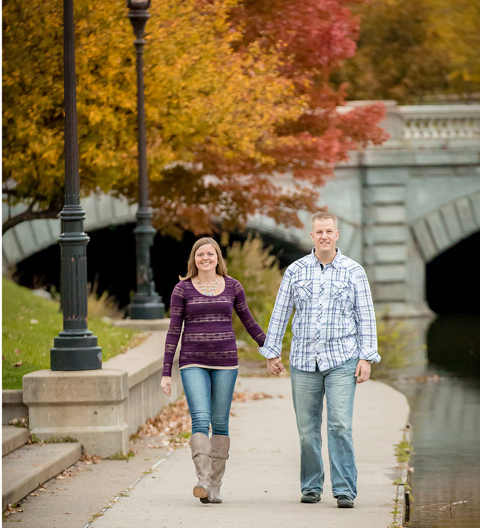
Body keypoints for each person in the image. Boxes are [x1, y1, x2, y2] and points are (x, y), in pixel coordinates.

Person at [259, 211, 380, 509]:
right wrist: (271, 351)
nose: (324, 236)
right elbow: (281, 311)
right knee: (306, 429)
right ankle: (311, 486)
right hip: (303, 360)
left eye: (329, 231)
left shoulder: (354, 271)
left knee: (339, 425)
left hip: (342, 359)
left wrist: (366, 357)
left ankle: (344, 490)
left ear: (337, 235)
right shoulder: (296, 271)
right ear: (312, 237)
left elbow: (366, 317)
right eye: (319, 232)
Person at [160, 237, 267, 504]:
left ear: (218, 257)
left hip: (226, 363)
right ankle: (203, 481)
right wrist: (165, 372)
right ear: (193, 260)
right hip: (192, 361)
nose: (205, 258)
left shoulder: (233, 286)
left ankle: (216, 486)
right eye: (200, 254)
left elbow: (249, 322)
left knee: (220, 423)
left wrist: (270, 349)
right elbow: (174, 331)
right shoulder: (182, 289)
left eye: (210, 254)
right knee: (199, 419)